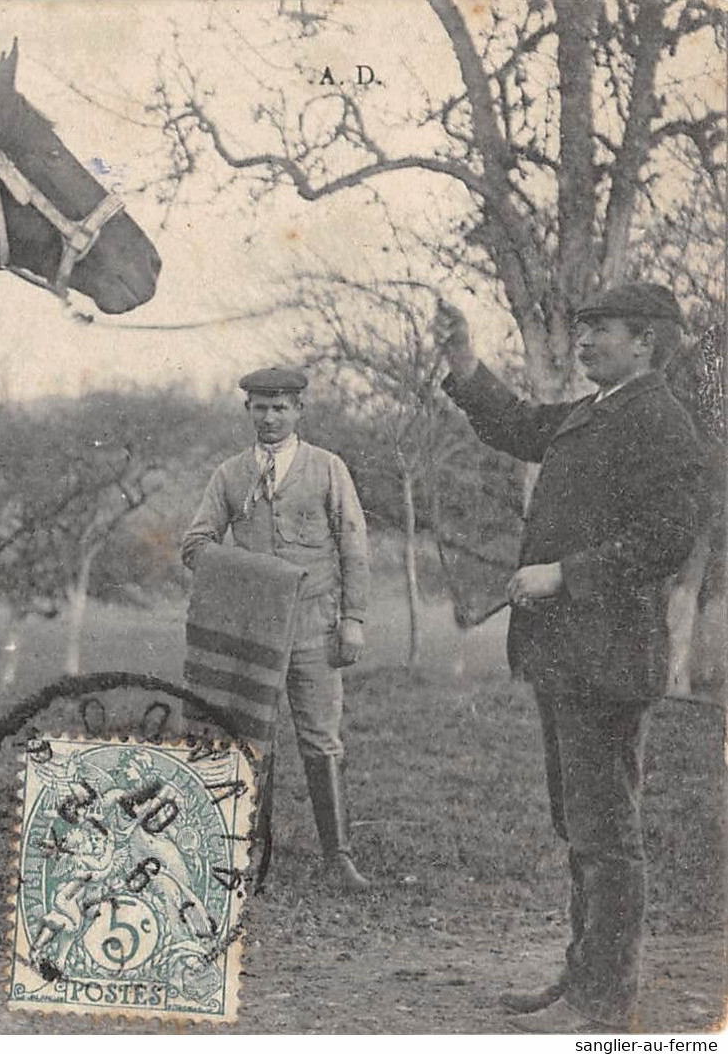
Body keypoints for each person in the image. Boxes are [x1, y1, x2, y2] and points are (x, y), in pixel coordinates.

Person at [434, 283, 706, 1033]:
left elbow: (664, 541)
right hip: (567, 658)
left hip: (610, 660)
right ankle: (581, 976)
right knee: (580, 826)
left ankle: (603, 1001)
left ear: (646, 341)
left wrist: (562, 574)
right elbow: (519, 424)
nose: (582, 342)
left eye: (599, 330)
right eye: (581, 329)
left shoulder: (658, 421)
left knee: (604, 835)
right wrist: (462, 362)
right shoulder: (595, 411)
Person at [180, 367, 372, 892]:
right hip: (255, 631)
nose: (269, 417)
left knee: (321, 739)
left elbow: (354, 546)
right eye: (260, 407)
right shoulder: (229, 475)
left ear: (299, 411)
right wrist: (253, 577)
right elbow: (195, 544)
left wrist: (352, 620)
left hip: (316, 624)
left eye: (280, 407)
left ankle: (338, 857)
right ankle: (241, 856)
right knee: (245, 737)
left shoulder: (328, 469)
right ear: (247, 411)